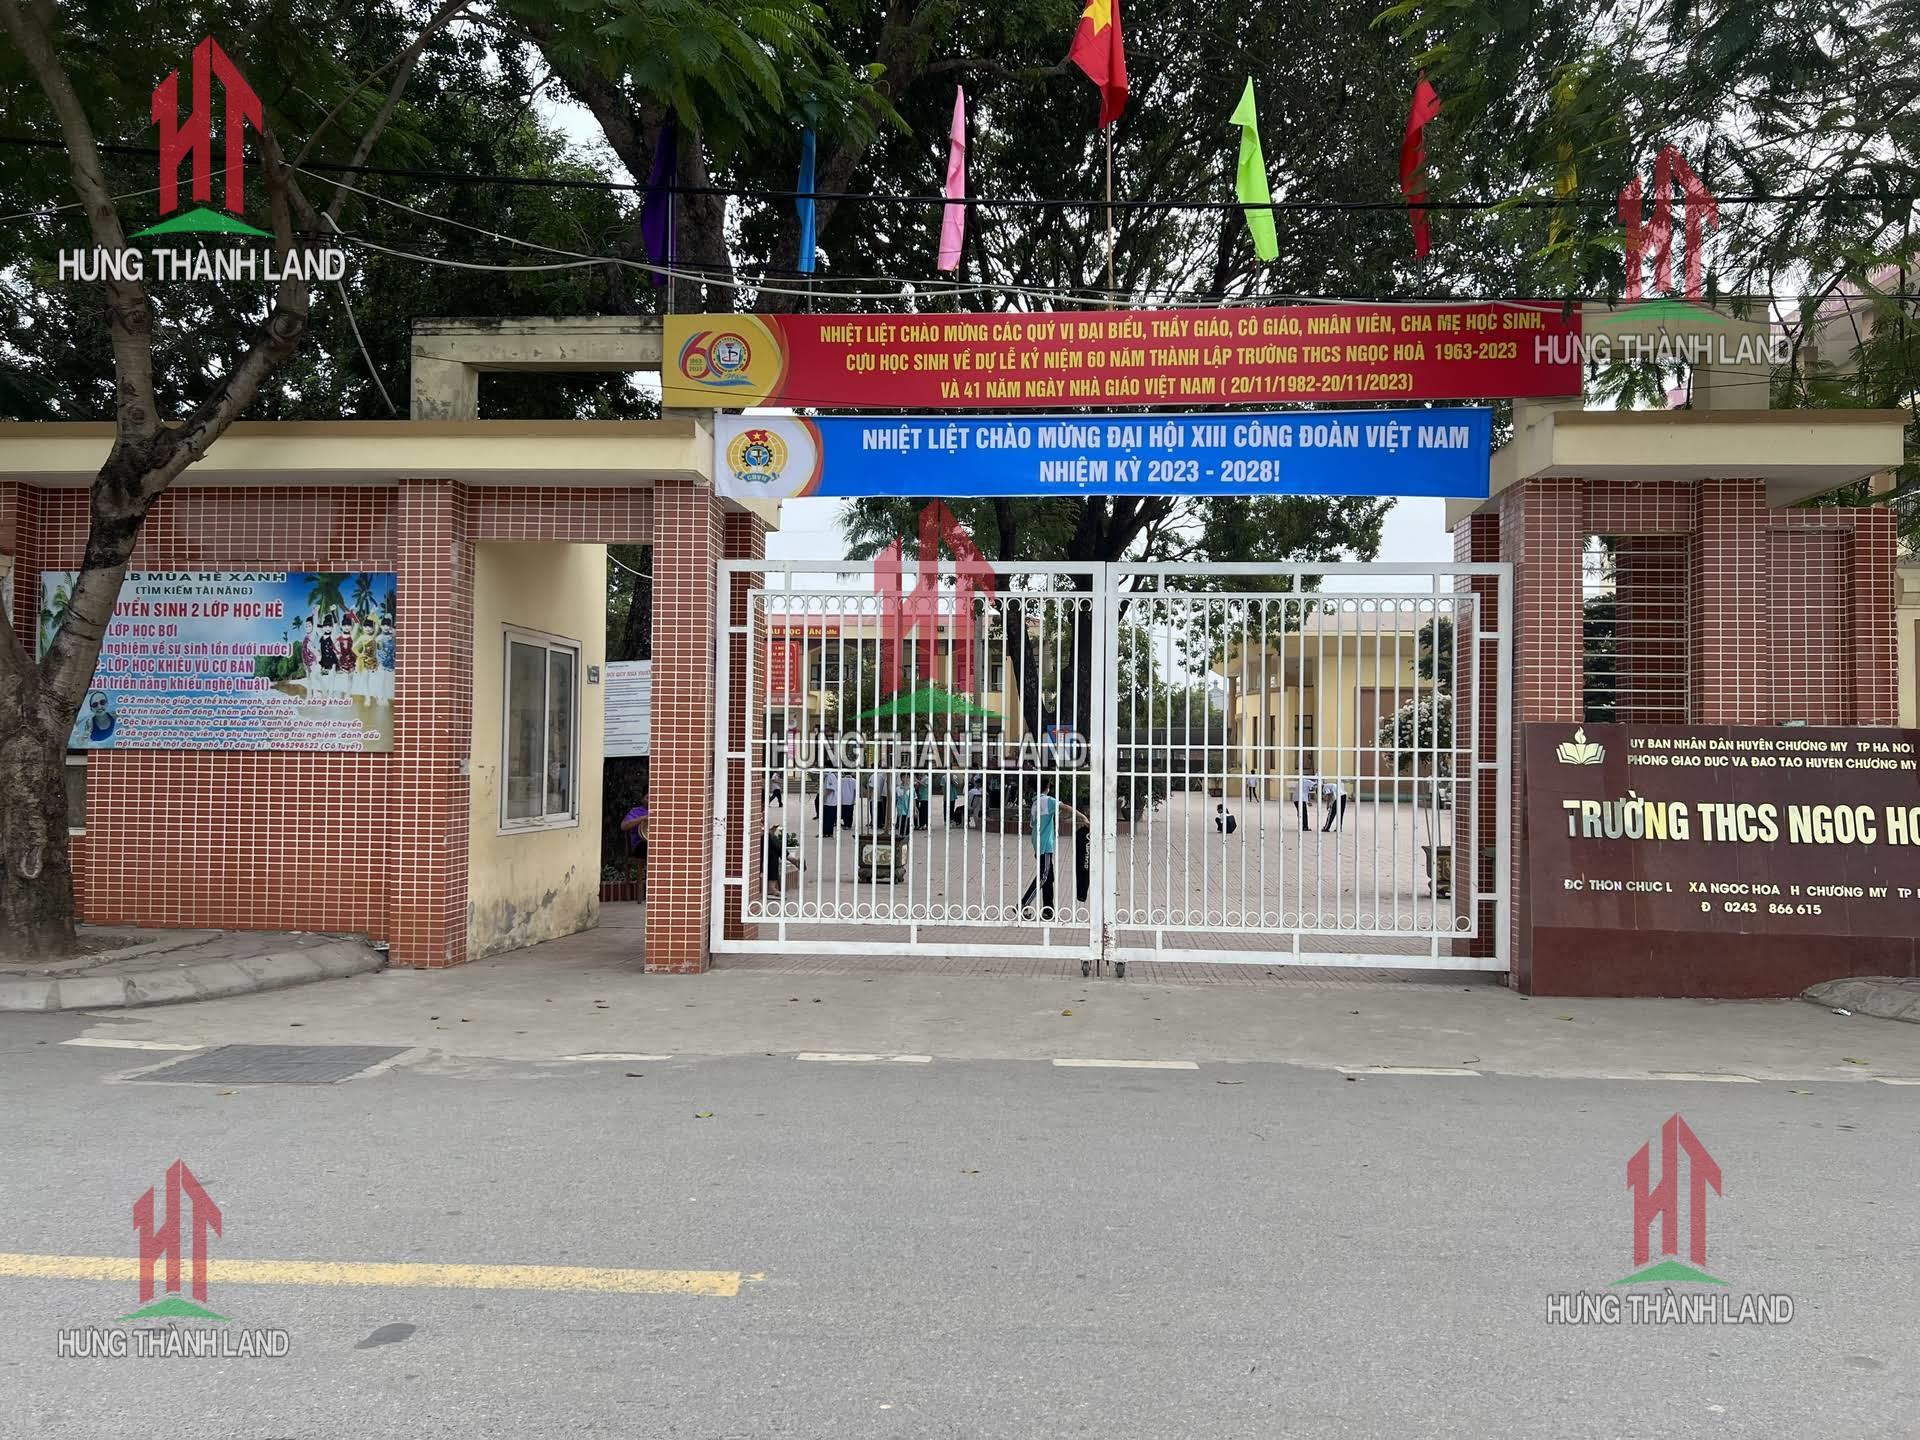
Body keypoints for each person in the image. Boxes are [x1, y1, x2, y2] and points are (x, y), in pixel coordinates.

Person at [1020, 777, 1082, 922]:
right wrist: (1084, 818)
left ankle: (1048, 910)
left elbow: (1038, 822)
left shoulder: (1036, 801)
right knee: (1044, 876)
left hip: (1038, 842)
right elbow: (1066, 808)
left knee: (1048, 877)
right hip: (1045, 844)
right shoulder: (1048, 800)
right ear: (1047, 786)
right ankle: (1023, 904)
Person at [819, 770, 838, 837]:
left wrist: (823, 797)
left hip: (829, 801)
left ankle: (825, 833)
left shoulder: (829, 776)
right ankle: (829, 833)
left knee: (827, 818)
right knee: (830, 818)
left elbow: (830, 789)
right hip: (832, 801)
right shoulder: (831, 776)